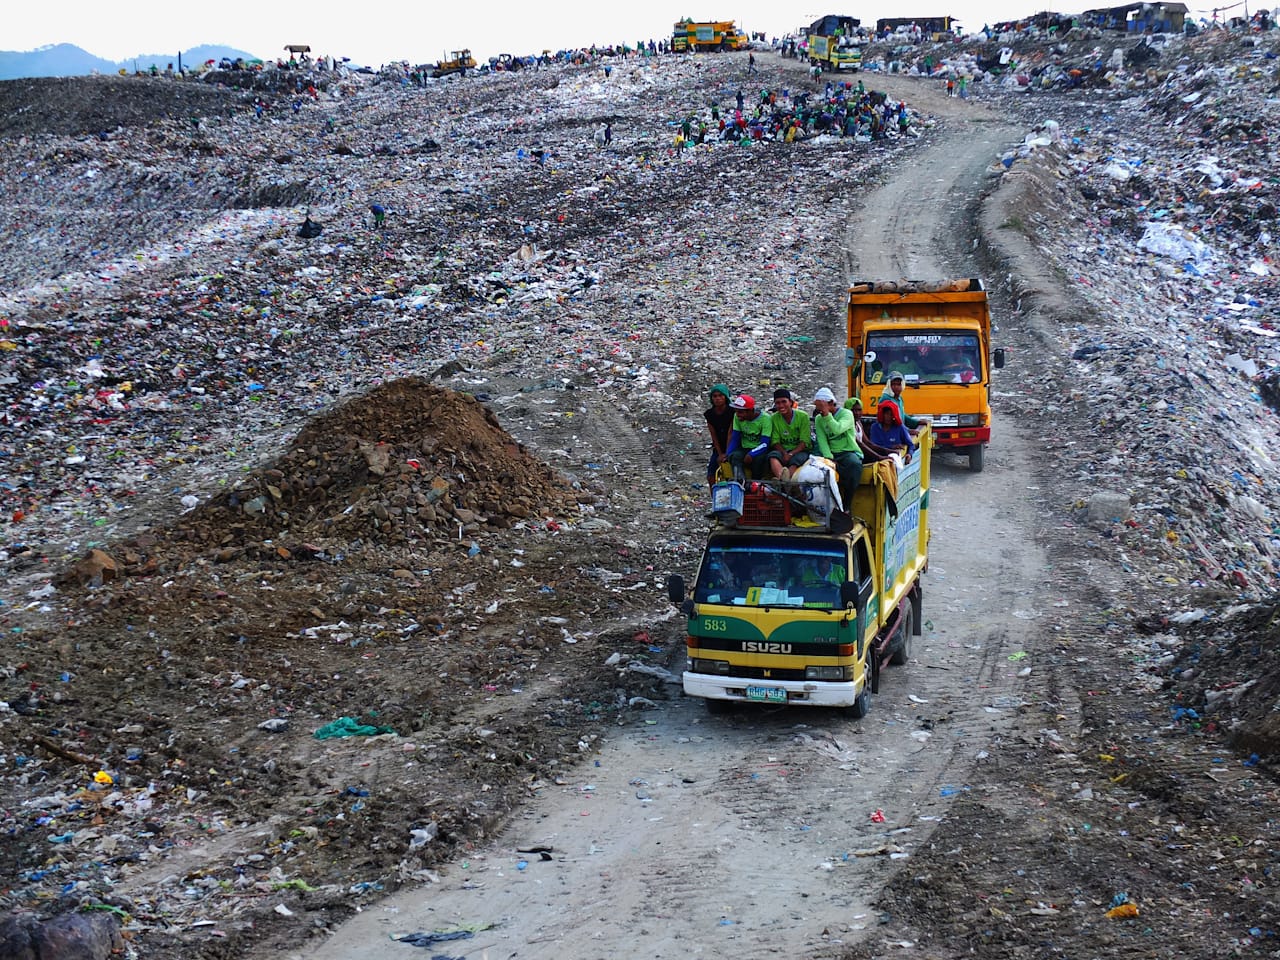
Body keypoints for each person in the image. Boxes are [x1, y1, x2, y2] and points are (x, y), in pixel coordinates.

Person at [812, 387, 862, 508]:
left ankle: (847, 505)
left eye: (821, 407)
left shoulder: (846, 414)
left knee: (854, 465)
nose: (819, 411)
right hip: (831, 453)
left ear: (830, 404)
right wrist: (829, 457)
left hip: (847, 451)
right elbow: (822, 440)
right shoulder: (819, 419)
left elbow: (837, 429)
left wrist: (827, 415)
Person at [726, 394, 772, 482]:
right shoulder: (737, 417)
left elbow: (765, 443)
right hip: (744, 448)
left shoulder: (765, 419)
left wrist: (752, 454)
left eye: (741, 412)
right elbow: (735, 437)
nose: (738, 415)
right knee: (734, 456)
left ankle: (756, 483)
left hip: (759, 449)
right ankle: (740, 482)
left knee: (758, 460)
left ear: (750, 411)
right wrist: (728, 453)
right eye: (736, 411)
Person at [767, 389, 811, 480]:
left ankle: (784, 483)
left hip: (799, 451)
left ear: (791, 402)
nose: (781, 405)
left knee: (795, 461)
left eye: (784, 402)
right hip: (782, 450)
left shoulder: (803, 417)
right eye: (778, 403)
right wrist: (784, 453)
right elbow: (775, 441)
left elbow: (804, 441)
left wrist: (791, 454)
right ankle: (782, 479)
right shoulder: (774, 418)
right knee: (773, 456)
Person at [704, 384, 734, 488]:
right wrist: (720, 453)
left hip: (733, 446)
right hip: (719, 447)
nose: (717, 399)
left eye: (720, 396)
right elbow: (714, 436)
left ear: (726, 397)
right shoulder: (709, 414)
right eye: (715, 396)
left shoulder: (732, 412)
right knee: (711, 475)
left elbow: (731, 433)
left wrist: (727, 453)